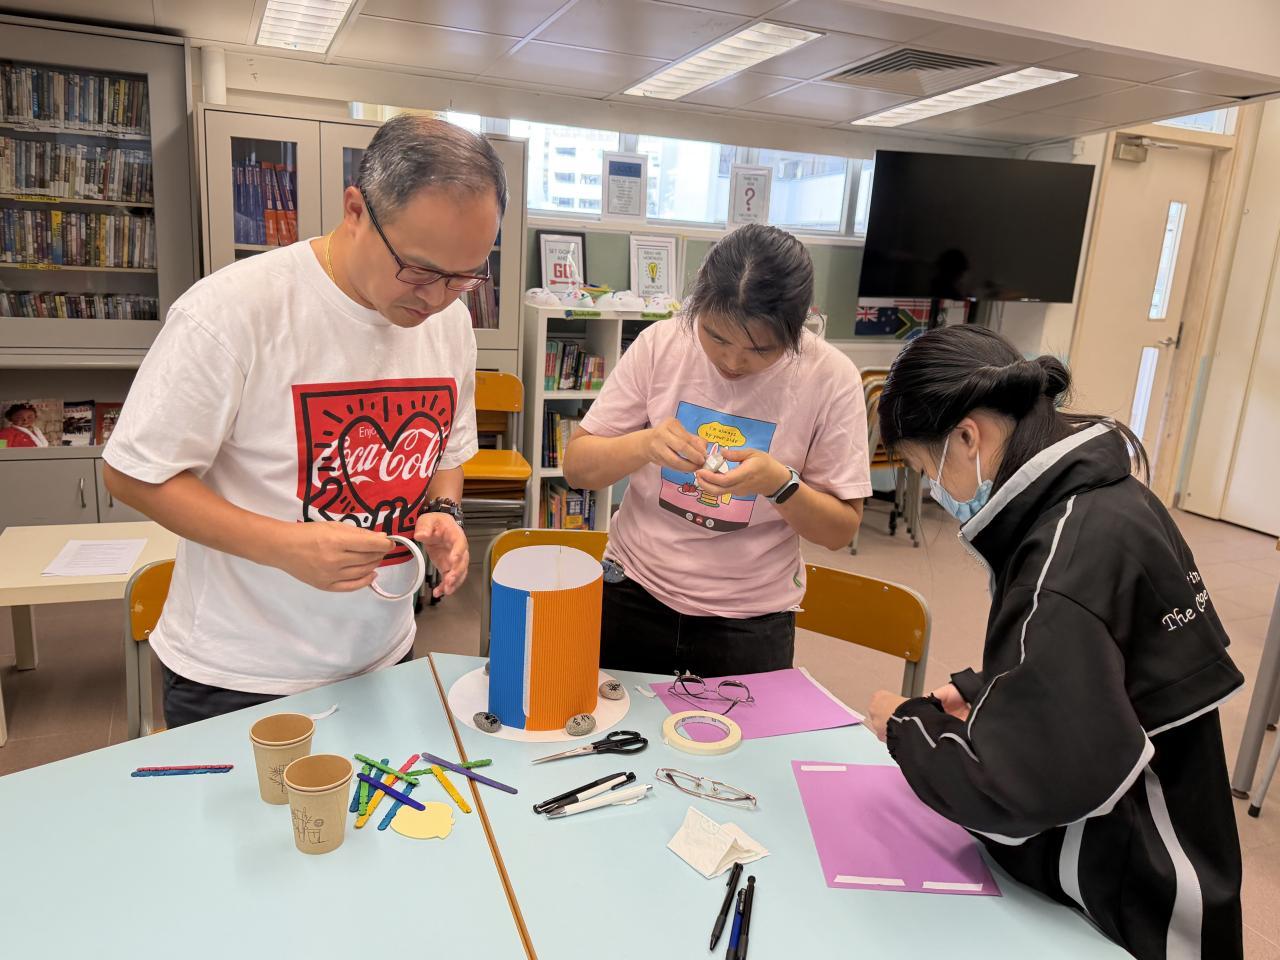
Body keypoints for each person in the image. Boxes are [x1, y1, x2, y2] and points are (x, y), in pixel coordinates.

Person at [104, 116, 506, 727]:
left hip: (383, 652)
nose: (435, 298)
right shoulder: (234, 310)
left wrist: (445, 511)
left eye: (463, 277)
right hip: (242, 673)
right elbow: (133, 475)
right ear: (356, 211)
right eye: (421, 271)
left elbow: (447, 451)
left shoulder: (449, 323)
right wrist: (287, 546)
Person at [865, 326, 1243, 960]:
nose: (936, 490)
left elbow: (1018, 790)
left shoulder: (1062, 558)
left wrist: (907, 726)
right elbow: (1100, 668)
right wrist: (986, 690)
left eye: (928, 469)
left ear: (967, 438)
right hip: (1187, 839)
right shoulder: (1112, 500)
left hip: (1138, 896)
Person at [563, 223, 871, 678]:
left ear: (798, 329)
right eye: (717, 337)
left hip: (751, 618)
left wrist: (779, 484)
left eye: (760, 349)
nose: (732, 361)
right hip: (633, 587)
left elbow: (839, 530)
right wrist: (645, 444)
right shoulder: (662, 343)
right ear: (697, 306)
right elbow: (577, 468)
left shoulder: (831, 377)